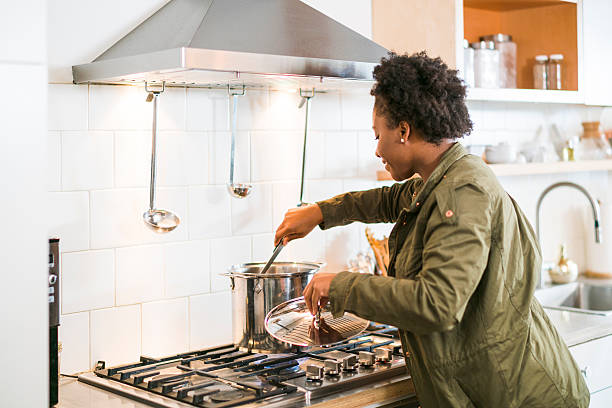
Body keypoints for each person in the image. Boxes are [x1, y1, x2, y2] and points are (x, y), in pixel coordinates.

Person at [274, 52, 589, 407]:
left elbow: (437, 304)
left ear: (404, 131)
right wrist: (319, 212)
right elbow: (389, 200)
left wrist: (341, 284)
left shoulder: (462, 191)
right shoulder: (441, 179)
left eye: (379, 136)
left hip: (523, 397)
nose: (377, 149)